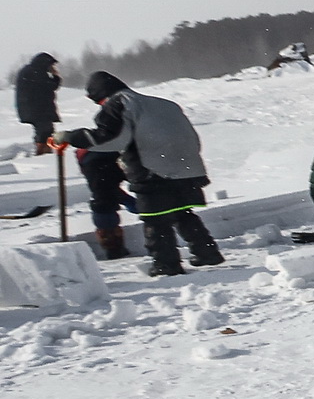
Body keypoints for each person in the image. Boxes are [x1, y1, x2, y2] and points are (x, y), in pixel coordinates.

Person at [51, 73, 222, 275]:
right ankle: (207, 253)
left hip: (153, 170)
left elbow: (111, 138)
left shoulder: (118, 103)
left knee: (156, 220)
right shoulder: (163, 104)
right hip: (187, 167)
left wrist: (70, 137)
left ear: (100, 95)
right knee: (183, 213)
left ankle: (166, 265)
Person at [13, 52, 60, 147]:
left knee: (44, 132)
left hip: (32, 109)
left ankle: (43, 149)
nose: (52, 67)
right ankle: (43, 152)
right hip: (39, 110)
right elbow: (50, 86)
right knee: (45, 132)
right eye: (51, 65)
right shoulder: (37, 72)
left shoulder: (30, 71)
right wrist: (55, 76)